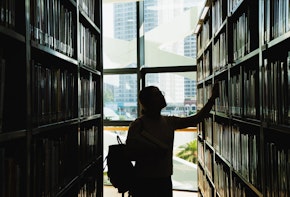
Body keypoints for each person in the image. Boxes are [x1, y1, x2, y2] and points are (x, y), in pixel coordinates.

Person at [125, 83, 219, 197]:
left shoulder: (168, 121)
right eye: (157, 94)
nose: (162, 96)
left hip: (163, 179)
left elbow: (196, 119)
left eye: (161, 93)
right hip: (144, 181)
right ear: (148, 102)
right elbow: (130, 154)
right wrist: (152, 153)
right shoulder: (138, 125)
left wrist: (213, 98)